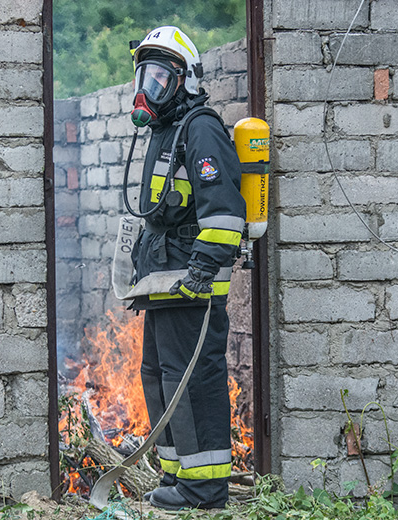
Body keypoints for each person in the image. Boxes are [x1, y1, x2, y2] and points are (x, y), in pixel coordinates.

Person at [126, 26, 246, 510]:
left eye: (159, 76)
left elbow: (224, 212)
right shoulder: (166, 129)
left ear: (185, 79)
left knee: (194, 379)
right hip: (162, 277)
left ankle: (206, 487)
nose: (148, 88)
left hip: (190, 281)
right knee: (159, 374)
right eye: (145, 75)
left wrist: (201, 270)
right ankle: (177, 474)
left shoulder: (201, 128)